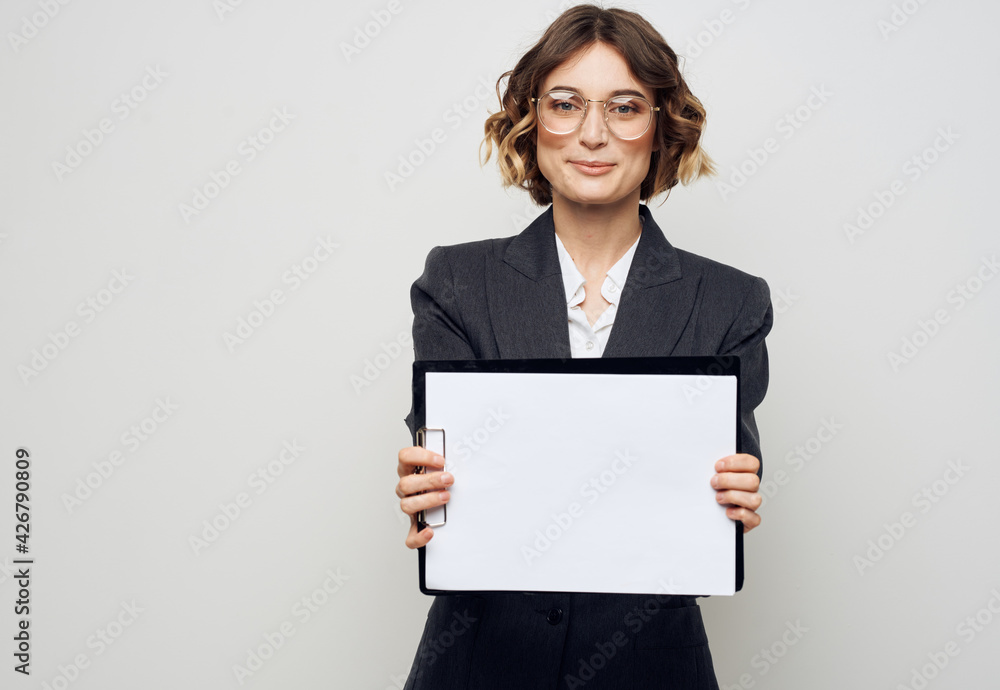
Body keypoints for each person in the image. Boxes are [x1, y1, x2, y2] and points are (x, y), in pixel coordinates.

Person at [394, 5, 771, 688]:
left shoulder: (730, 301)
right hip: (480, 661)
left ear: (660, 127)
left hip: (651, 666)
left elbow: (727, 471)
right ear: (531, 121)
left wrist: (738, 491)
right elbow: (443, 454)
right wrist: (429, 487)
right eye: (566, 104)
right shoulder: (455, 281)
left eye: (624, 108)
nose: (593, 134)